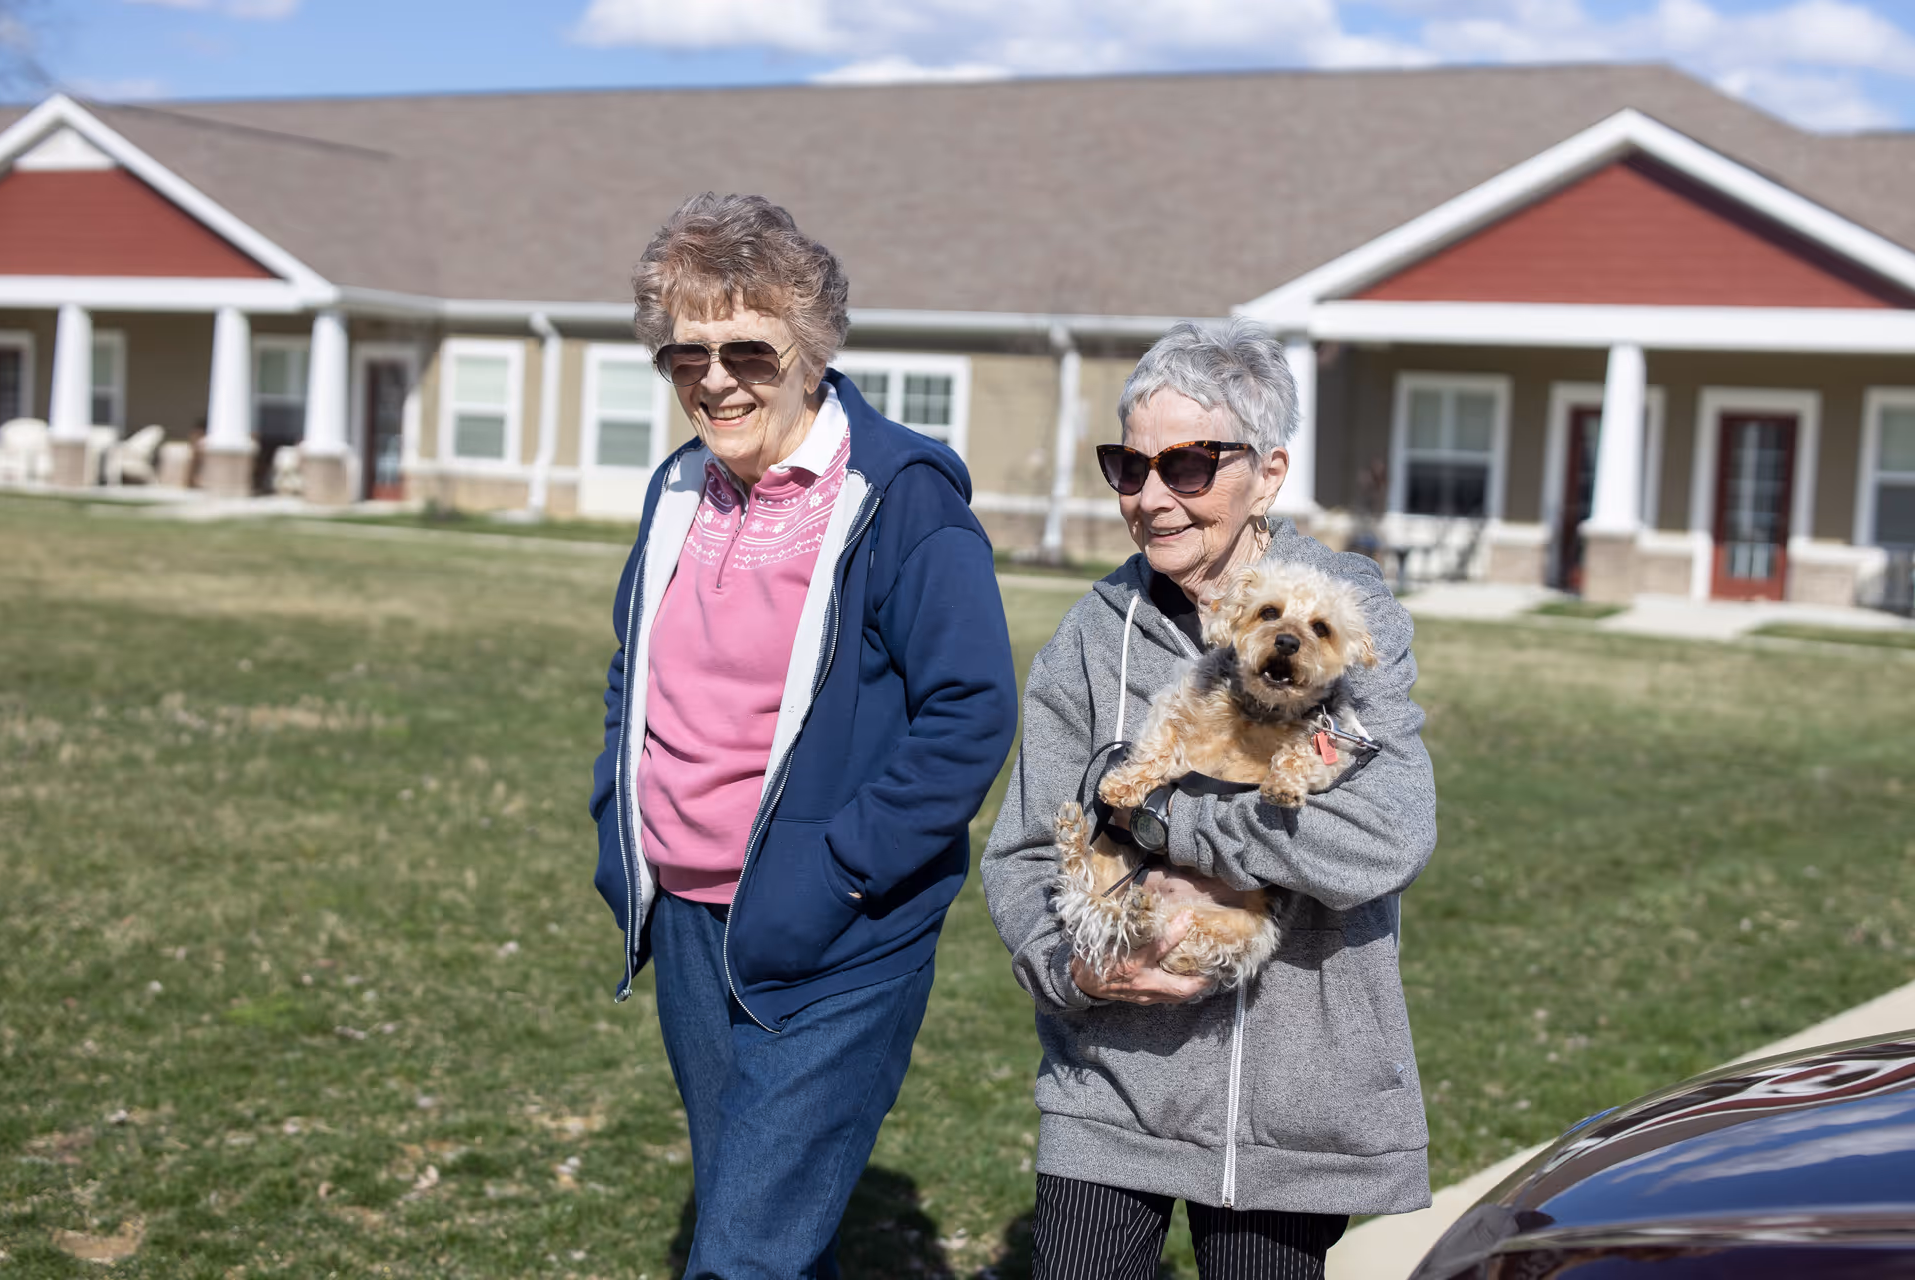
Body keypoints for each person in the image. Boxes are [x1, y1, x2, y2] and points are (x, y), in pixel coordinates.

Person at [589, 193, 1019, 1279]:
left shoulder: (900, 497)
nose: (716, 378)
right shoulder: (679, 486)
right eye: (686, 354)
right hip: (687, 919)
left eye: (749, 349)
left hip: (834, 935)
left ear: (814, 351)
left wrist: (837, 872)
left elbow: (971, 709)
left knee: (742, 1256)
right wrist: (619, 809)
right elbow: (628, 668)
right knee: (774, 1227)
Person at [982, 319, 1436, 1279]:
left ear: (1269, 472)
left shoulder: (1345, 615)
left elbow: (1386, 835)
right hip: (1111, 1084)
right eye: (1130, 466)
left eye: (1189, 467)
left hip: (1292, 1111)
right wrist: (1072, 969)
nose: (1151, 499)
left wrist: (1161, 816)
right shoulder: (1091, 636)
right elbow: (1022, 852)